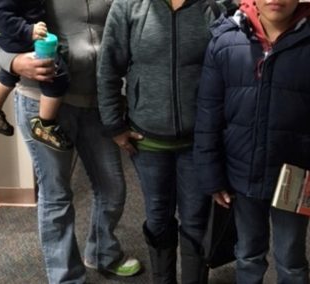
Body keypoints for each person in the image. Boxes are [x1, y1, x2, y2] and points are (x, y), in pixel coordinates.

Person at [0, 1, 142, 283]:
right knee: (56, 195)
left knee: (112, 187)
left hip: (97, 102)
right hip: (40, 101)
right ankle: (66, 277)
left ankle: (103, 253)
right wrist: (13, 62)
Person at [193, 0, 310, 283]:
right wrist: (210, 174)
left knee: (291, 259)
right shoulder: (225, 41)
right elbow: (208, 114)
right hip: (242, 173)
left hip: (295, 177)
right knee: (247, 253)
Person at [97, 0, 237, 283]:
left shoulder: (216, 6)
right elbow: (108, 69)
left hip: (200, 140)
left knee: (196, 218)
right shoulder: (128, 7)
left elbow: (231, 69)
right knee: (158, 216)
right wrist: (115, 125)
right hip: (146, 139)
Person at [0, 0, 72, 151]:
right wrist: (28, 30)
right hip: (20, 36)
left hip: (18, 34)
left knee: (9, 75)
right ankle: (45, 125)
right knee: (56, 73)